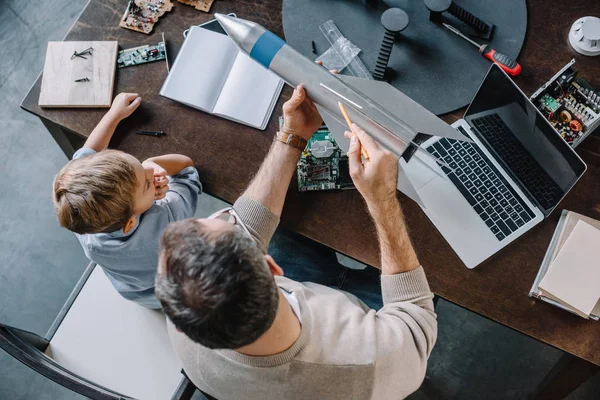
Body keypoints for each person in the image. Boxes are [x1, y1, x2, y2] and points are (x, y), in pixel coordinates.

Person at [155, 85, 437, 399]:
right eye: (226, 223)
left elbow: (249, 223)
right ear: (272, 268)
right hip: (363, 331)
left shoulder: (184, 312)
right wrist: (381, 200)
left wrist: (293, 135)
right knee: (435, 271)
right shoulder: (367, 365)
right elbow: (415, 318)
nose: (234, 220)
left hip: (295, 310)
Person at [53, 93, 202, 309]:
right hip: (183, 286)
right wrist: (153, 162)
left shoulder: (79, 212)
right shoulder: (167, 219)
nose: (149, 172)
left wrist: (114, 115)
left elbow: (86, 157)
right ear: (130, 222)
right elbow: (187, 169)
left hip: (139, 294)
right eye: (147, 184)